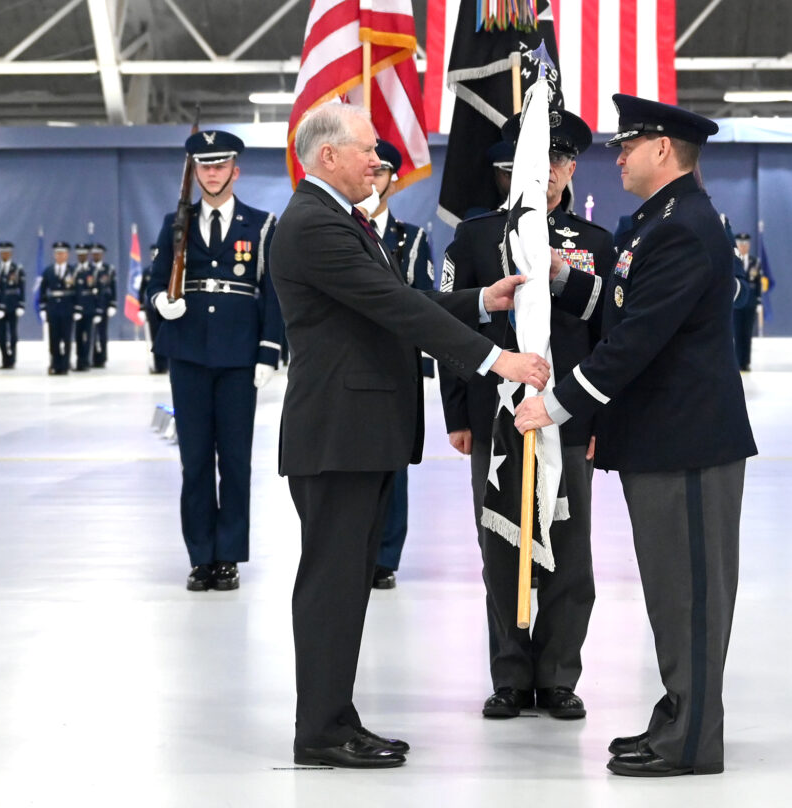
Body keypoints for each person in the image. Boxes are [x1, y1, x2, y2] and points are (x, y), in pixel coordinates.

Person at [269, 102, 550, 770]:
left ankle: (337, 715)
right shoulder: (314, 224)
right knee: (332, 584)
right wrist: (494, 358)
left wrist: (482, 301)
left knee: (348, 581)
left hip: (356, 433)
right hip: (338, 435)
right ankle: (320, 730)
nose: (378, 160)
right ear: (327, 155)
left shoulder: (337, 220)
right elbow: (394, 306)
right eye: (367, 149)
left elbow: (401, 296)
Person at [514, 93, 757, 778]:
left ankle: (692, 740)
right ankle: (678, 711)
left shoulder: (685, 228)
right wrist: (561, 278)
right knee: (671, 594)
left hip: (688, 444)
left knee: (693, 598)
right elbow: (620, 308)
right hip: (660, 440)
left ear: (663, 151)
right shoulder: (657, 222)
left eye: (630, 143)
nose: (616, 154)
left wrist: (557, 406)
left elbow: (636, 343)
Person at [440, 109, 613, 721]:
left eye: (562, 162)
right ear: (508, 168)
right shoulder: (476, 237)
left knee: (570, 551)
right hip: (496, 419)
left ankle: (559, 676)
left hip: (569, 419)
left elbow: (608, 336)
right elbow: (449, 328)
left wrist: (601, 426)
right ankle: (511, 675)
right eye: (539, 161)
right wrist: (456, 414)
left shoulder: (593, 245)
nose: (551, 173)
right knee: (500, 546)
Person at [147, 129, 283, 592]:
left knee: (236, 461)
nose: (211, 173)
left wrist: (269, 350)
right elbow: (155, 281)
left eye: (220, 165)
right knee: (195, 462)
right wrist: (160, 303)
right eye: (204, 166)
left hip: (239, 356)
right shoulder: (175, 223)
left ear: (235, 170)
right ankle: (200, 556)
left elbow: (272, 293)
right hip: (187, 353)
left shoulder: (260, 225)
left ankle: (229, 556)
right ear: (195, 172)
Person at [366, 138, 436, 589]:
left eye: (381, 171)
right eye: (367, 168)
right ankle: (357, 548)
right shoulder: (339, 229)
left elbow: (425, 301)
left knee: (393, 461)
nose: (373, 178)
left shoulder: (410, 239)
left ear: (394, 179)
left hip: (395, 364)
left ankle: (386, 555)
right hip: (353, 362)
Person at [39, 242, 76, 375]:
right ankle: (55, 363)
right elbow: (43, 290)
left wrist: (77, 308)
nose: (60, 256)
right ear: (54, 255)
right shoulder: (48, 271)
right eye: (57, 253)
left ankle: (65, 365)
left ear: (67, 255)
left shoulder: (73, 271)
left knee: (66, 338)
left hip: (67, 307)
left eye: (62, 253)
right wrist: (43, 307)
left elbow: (77, 290)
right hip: (53, 308)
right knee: (53, 338)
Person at [731, 233, 760, 371]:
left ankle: (746, 361)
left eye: (745, 244)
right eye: (741, 244)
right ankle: (737, 362)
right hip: (737, 303)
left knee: (747, 333)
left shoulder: (755, 262)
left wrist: (759, 301)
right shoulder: (735, 261)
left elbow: (758, 283)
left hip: (751, 303)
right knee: (737, 332)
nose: (743, 247)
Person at [138, 244, 168, 374]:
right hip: (151, 308)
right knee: (155, 338)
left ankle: (166, 364)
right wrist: (141, 308)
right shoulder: (147, 271)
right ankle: (158, 365)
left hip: (165, 308)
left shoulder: (167, 269)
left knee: (165, 336)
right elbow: (142, 290)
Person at [0, 241, 25, 369]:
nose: (5, 254)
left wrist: (21, 304)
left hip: (13, 304)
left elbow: (22, 288)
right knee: (1, 334)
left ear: (11, 253)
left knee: (13, 333)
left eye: (7, 252)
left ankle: (12, 359)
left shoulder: (17, 269)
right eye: (2, 252)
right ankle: (4, 359)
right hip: (0, 305)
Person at [72, 242, 98, 371]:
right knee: (77, 336)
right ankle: (78, 360)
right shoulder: (73, 270)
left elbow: (99, 291)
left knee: (88, 336)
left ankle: (86, 360)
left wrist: (98, 310)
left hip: (89, 309)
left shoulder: (93, 271)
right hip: (77, 309)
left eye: (83, 255)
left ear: (87, 255)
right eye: (79, 255)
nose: (81, 257)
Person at [90, 243, 116, 368]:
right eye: (94, 253)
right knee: (90, 333)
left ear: (102, 254)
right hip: (90, 305)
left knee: (102, 333)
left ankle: (102, 357)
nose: (96, 255)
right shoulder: (88, 269)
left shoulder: (108, 270)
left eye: (98, 253)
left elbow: (112, 288)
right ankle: (91, 356)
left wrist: (113, 304)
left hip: (104, 304)